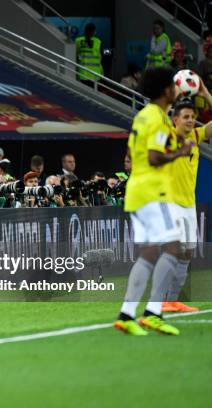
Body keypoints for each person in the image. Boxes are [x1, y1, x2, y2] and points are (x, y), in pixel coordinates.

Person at [114, 67, 194, 336]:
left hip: (138, 190)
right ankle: (153, 312)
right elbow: (154, 157)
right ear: (165, 90)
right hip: (152, 191)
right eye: (173, 85)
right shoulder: (157, 118)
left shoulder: (145, 115)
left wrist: (176, 141)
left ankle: (127, 314)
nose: (176, 89)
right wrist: (181, 151)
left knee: (149, 252)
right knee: (173, 248)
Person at [162, 95, 212, 313]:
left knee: (188, 252)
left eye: (193, 116)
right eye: (186, 117)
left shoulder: (195, 136)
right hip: (170, 203)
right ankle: (161, 299)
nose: (191, 120)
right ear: (175, 119)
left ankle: (172, 301)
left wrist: (205, 93)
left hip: (188, 204)